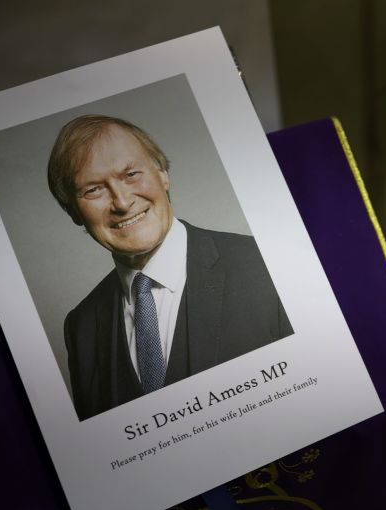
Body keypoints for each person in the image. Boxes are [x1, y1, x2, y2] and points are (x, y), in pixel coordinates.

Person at [47, 114, 292, 420]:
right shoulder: (81, 326)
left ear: (163, 173)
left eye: (132, 174)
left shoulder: (266, 261)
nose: (122, 202)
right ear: (73, 211)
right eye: (94, 190)